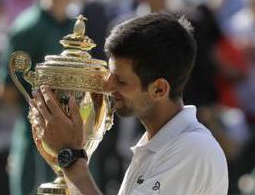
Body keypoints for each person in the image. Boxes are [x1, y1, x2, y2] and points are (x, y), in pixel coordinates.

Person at [30, 12, 229, 194]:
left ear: (159, 89)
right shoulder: (157, 144)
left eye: (121, 80)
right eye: (110, 74)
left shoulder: (192, 150)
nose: (107, 86)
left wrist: (70, 156)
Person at [0, 0, 88, 194]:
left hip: (77, 143)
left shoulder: (77, 30)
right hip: (34, 146)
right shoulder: (27, 28)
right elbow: (5, 91)